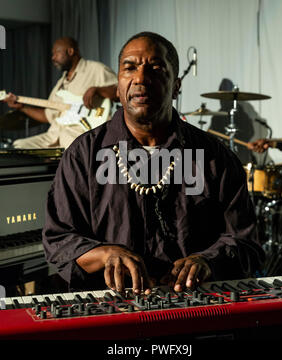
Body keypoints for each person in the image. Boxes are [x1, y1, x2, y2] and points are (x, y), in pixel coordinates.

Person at [42, 32, 265, 294]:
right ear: (118, 85)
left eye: (156, 67)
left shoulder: (216, 157)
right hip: (111, 312)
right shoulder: (83, 155)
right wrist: (105, 255)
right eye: (129, 67)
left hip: (196, 309)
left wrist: (208, 260)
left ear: (176, 86)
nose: (140, 78)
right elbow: (59, 239)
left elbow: (246, 242)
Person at [3, 37, 118, 149]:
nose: (53, 58)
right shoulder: (60, 84)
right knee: (19, 146)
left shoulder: (96, 69)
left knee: (69, 143)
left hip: (80, 136)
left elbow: (121, 93)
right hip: (53, 137)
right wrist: (22, 107)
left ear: (70, 51)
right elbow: (48, 116)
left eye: (56, 53)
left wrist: (98, 90)